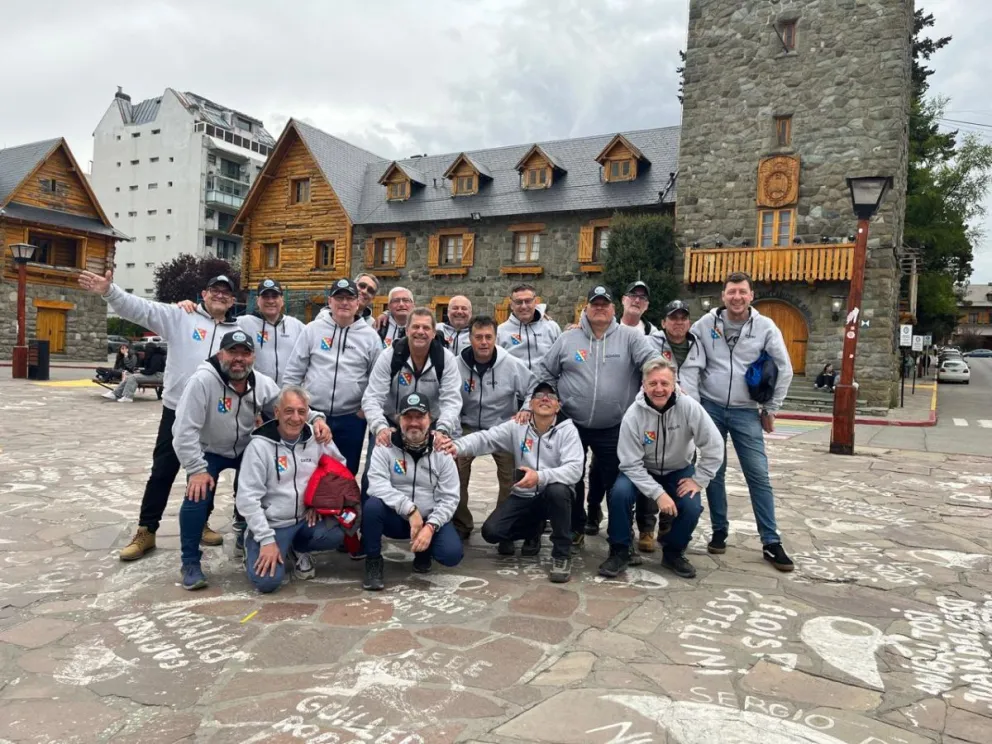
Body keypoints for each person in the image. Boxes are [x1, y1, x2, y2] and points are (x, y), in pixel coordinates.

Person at [78, 269, 241, 560]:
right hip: (177, 410)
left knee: (206, 471)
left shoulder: (237, 332)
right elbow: (141, 309)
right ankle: (146, 531)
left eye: (226, 292)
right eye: (214, 290)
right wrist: (109, 291)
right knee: (162, 472)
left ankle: (200, 522)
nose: (220, 295)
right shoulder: (180, 317)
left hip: (213, 415)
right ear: (202, 294)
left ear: (232, 301)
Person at [172, 330, 331, 589]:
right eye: (233, 352)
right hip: (210, 449)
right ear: (220, 354)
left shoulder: (259, 381)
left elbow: (288, 404)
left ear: (253, 357)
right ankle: (190, 561)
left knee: (251, 489)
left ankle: (245, 535)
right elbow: (183, 430)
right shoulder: (202, 381)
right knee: (197, 496)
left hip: (244, 446)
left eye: (245, 353)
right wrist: (196, 469)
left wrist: (316, 418)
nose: (239, 359)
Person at [538, 285, 659, 552]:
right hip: (572, 423)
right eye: (595, 303)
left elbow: (653, 362)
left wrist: (661, 385)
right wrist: (549, 399)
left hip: (615, 425)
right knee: (571, 479)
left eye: (605, 303)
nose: (600, 308)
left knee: (617, 484)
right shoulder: (568, 339)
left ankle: (621, 538)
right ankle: (575, 528)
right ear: (586, 308)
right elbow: (546, 372)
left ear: (614, 309)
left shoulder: (630, 338)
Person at [690, 271, 795, 571]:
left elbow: (784, 368)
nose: (736, 297)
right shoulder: (705, 324)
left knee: (758, 475)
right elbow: (692, 362)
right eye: (731, 292)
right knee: (714, 471)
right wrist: (695, 406)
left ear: (751, 295)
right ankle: (719, 530)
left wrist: (771, 408)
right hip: (710, 407)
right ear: (723, 296)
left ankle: (771, 541)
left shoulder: (765, 326)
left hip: (746, 410)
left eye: (742, 292)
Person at [442, 381, 582, 583]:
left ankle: (561, 554)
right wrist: (455, 446)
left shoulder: (568, 431)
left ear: (558, 405)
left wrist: (540, 476)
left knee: (558, 491)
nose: (544, 399)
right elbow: (486, 439)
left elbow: (575, 470)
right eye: (539, 395)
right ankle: (535, 528)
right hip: (523, 495)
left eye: (551, 397)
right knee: (492, 532)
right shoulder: (518, 426)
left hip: (553, 495)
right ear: (530, 404)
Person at [598, 358, 722, 580]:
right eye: (653, 383)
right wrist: (659, 494)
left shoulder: (690, 407)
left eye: (665, 383)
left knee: (691, 506)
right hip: (642, 469)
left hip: (678, 469)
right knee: (619, 493)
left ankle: (673, 551)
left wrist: (699, 479)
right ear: (643, 385)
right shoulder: (633, 414)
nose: (659, 389)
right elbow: (629, 463)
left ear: (674, 384)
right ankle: (620, 549)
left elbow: (714, 445)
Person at [236, 385, 351, 593]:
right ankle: (253, 543)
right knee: (267, 583)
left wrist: (319, 501)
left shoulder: (317, 438)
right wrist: (267, 539)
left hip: (305, 519)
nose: (296, 418)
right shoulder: (259, 447)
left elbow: (339, 470)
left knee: (340, 531)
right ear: (277, 412)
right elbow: (247, 498)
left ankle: (298, 548)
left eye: (301, 412)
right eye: (289, 411)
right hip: (273, 524)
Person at [363, 392, 462, 590]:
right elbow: (376, 484)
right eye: (408, 417)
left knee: (451, 554)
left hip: (427, 520)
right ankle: (373, 561)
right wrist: (410, 509)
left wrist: (431, 526)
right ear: (399, 419)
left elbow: (450, 498)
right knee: (372, 506)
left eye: (420, 417)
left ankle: (423, 551)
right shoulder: (385, 445)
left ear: (430, 419)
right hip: (396, 518)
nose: (414, 423)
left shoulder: (442, 449)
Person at [282, 279, 382, 476]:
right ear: (330, 301)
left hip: (351, 418)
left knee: (345, 473)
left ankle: (344, 508)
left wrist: (363, 409)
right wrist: (297, 408)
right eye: (339, 297)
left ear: (357, 303)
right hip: (312, 415)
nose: (344, 303)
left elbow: (377, 379)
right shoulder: (312, 329)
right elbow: (293, 373)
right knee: (306, 472)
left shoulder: (370, 337)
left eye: (349, 298)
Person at [452, 315, 536, 546]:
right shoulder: (456, 364)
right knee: (454, 471)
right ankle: (461, 523)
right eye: (478, 337)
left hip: (501, 425)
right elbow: (448, 396)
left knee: (511, 476)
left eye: (489, 337)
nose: (484, 342)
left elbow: (534, 388)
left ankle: (504, 526)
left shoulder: (510, 363)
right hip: (467, 426)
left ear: (496, 338)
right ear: (470, 338)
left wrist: (527, 408)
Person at [237, 279, 305, 386]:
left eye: (274, 296)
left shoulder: (296, 326)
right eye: (265, 297)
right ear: (257, 300)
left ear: (282, 300)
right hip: (255, 392)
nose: (270, 301)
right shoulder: (243, 323)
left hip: (287, 394)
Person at [497, 284, 562, 370]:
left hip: (546, 382)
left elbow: (562, 358)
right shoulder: (500, 332)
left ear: (535, 302)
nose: (524, 306)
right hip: (515, 382)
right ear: (511, 305)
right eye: (519, 302)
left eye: (528, 301)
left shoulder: (551, 328)